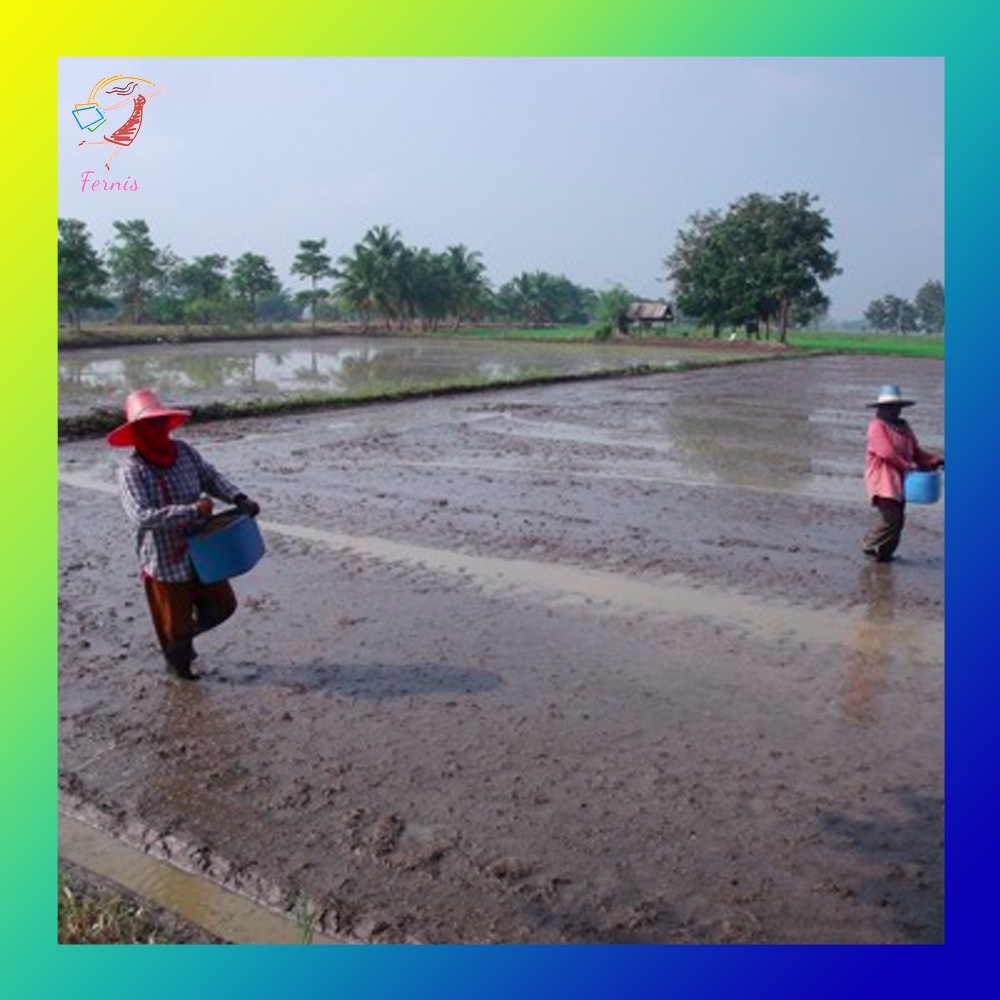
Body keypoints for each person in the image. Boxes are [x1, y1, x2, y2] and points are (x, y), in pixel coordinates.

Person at [108, 389, 261, 679]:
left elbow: (210, 477)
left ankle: (177, 643)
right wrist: (192, 510)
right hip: (164, 560)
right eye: (149, 425)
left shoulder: (184, 453)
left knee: (223, 606)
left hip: (203, 550)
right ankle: (179, 667)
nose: (157, 430)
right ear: (137, 431)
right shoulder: (132, 471)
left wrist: (238, 497)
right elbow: (141, 516)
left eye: (161, 423)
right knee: (175, 628)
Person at [862, 384, 943, 563]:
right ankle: (869, 544)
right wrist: (908, 465)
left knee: (899, 521)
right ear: (881, 408)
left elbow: (916, 452)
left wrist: (935, 460)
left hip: (902, 481)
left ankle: (884, 556)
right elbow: (886, 452)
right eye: (889, 407)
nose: (893, 410)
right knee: (891, 518)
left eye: (896, 406)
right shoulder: (877, 426)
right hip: (882, 480)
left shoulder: (903, 427)